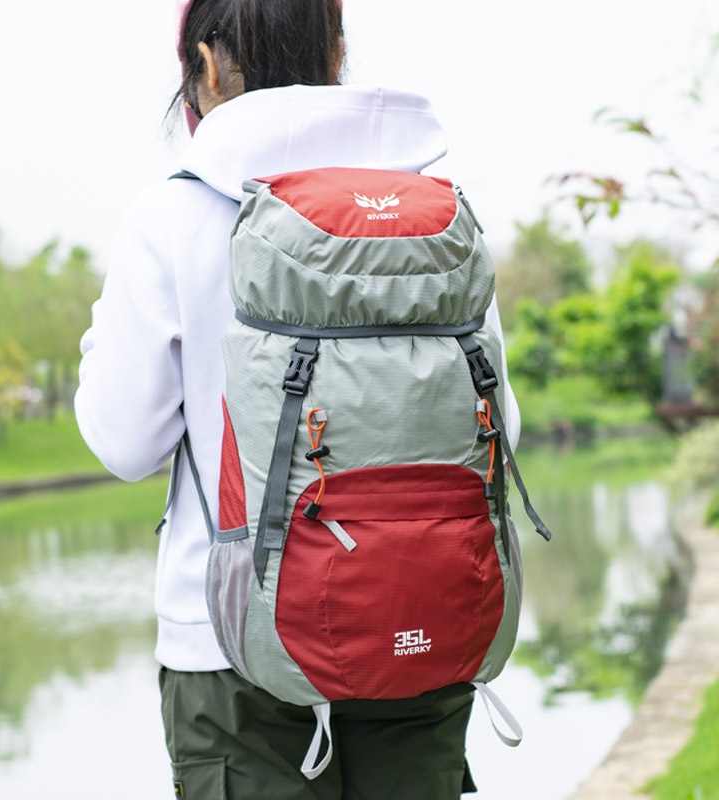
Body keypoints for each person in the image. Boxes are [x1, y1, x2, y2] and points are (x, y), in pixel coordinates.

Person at [75, 0, 520, 797]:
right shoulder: (438, 213)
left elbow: (124, 442)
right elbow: (499, 430)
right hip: (421, 612)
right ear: (338, 50)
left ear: (205, 66)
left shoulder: (174, 214)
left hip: (231, 643)